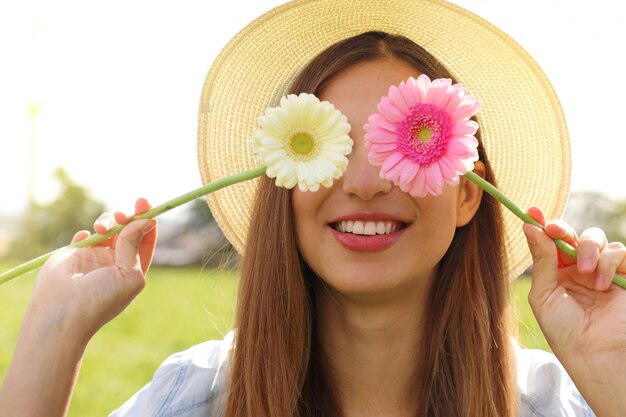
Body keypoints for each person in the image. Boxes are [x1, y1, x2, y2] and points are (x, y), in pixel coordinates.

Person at [2, 1, 626, 416]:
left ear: (468, 193)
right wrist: (52, 337)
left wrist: (611, 372)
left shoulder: (557, 402)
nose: (362, 184)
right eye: (330, 145)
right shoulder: (194, 397)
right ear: (283, 175)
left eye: (400, 143)